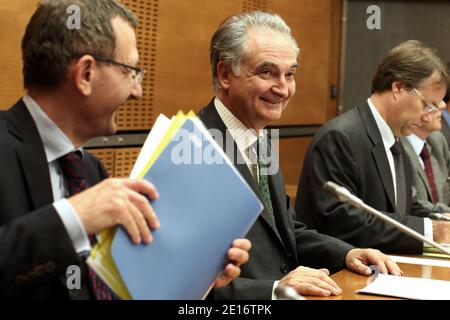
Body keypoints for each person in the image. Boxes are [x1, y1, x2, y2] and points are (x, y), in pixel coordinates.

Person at [0, 0, 250, 300]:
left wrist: (195, 275)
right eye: (131, 71)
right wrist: (72, 218)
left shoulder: (91, 170)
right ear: (86, 74)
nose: (137, 91)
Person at [198, 11, 402, 300]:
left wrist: (347, 252)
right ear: (225, 74)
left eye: (290, 73)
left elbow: (284, 231)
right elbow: (179, 282)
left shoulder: (260, 138)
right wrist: (272, 290)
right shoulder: (192, 151)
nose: (283, 88)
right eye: (267, 72)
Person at [295, 40, 450, 254]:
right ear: (398, 87)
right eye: (427, 104)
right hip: (338, 275)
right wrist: (431, 230)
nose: (427, 115)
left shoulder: (396, 138)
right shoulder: (340, 137)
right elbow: (343, 220)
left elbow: (401, 206)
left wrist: (441, 220)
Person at [401, 104, 450, 213]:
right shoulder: (397, 147)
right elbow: (411, 202)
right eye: (434, 103)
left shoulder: (437, 140)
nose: (442, 105)